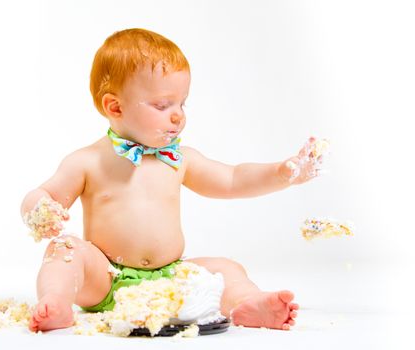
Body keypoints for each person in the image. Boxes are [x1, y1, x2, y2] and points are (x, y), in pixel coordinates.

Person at [21, 28, 320, 332]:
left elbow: (232, 179)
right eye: (163, 106)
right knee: (65, 250)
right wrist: (40, 210)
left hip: (171, 279)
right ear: (115, 107)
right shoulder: (87, 161)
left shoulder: (180, 160)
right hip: (106, 279)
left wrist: (284, 173)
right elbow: (43, 194)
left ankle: (249, 303)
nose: (178, 116)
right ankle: (55, 301)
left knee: (226, 269)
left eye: (182, 104)